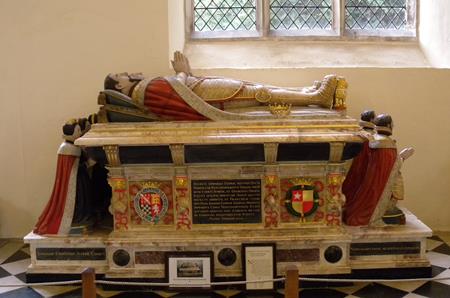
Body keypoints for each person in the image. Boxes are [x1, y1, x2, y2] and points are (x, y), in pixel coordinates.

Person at [101, 51, 342, 121]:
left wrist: (185, 74)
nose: (127, 73)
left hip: (205, 89)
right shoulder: (144, 90)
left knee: (257, 88)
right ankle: (319, 97)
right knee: (261, 94)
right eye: (121, 76)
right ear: (121, 87)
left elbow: (179, 92)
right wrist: (183, 73)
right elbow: (178, 92)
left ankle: (306, 93)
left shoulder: (144, 87)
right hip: (209, 95)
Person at [343, 114, 399, 226]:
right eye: (392, 124)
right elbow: (392, 165)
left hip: (369, 179)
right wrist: (402, 157)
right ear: (388, 125)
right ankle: (372, 219)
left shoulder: (372, 139)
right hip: (379, 182)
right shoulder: (387, 144)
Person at [342, 110, 376, 222]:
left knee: (352, 185)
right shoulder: (370, 135)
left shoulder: (355, 130)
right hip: (362, 166)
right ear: (371, 120)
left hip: (352, 165)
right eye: (374, 118)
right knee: (359, 187)